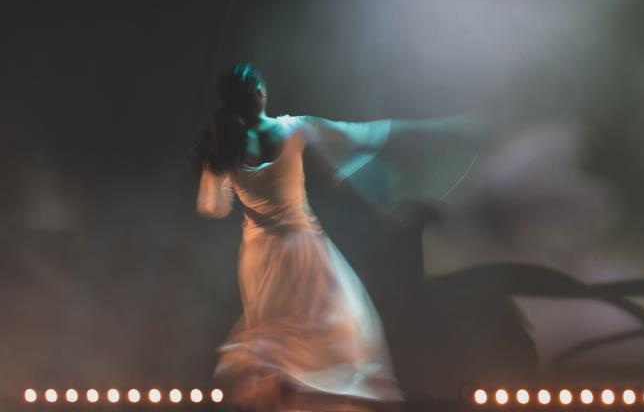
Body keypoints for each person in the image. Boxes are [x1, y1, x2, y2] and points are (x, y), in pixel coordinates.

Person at [194, 63, 472, 411]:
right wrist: (434, 129)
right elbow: (362, 134)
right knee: (340, 333)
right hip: (303, 249)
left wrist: (218, 168)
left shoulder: (226, 147)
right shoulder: (293, 128)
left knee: (280, 345)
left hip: (260, 256)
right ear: (260, 93)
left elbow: (213, 208)